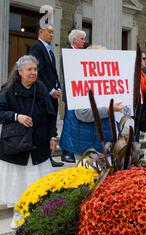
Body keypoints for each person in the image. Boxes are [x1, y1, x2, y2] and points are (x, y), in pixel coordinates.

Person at [0, 55, 58, 229]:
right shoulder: (7, 89)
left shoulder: (41, 89)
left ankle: (37, 213)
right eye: (29, 69)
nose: (33, 72)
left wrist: (53, 136)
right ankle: (17, 213)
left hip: (39, 144)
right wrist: (16, 117)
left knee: (37, 182)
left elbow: (51, 116)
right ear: (20, 71)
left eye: (35, 69)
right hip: (16, 146)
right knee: (17, 182)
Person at [59, 45, 123, 159]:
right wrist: (109, 109)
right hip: (87, 146)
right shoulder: (81, 80)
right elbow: (82, 114)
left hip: (102, 142)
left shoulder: (107, 80)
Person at [28, 24, 63, 168]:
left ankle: (49, 155)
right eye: (49, 32)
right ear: (41, 32)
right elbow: (39, 72)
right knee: (46, 123)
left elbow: (53, 73)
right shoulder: (37, 47)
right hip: (44, 94)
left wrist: (58, 87)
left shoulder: (50, 51)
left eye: (53, 32)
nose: (52, 35)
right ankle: (45, 156)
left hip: (52, 94)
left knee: (51, 122)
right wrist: (50, 90)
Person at [60, 29, 87, 163]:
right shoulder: (68, 53)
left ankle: (75, 149)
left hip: (82, 94)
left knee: (77, 123)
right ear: (74, 40)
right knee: (69, 122)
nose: (84, 41)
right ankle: (66, 151)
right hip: (72, 93)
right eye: (82, 39)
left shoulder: (83, 54)